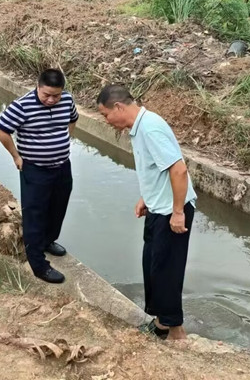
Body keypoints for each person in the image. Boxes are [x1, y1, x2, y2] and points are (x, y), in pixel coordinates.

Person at [96, 85, 197, 340]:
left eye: (106, 115)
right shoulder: (138, 129)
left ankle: (177, 332)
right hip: (158, 206)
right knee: (152, 265)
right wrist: (146, 197)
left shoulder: (150, 127)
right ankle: (162, 322)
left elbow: (178, 170)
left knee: (167, 270)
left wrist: (177, 212)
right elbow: (157, 168)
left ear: (118, 107)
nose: (107, 122)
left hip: (171, 212)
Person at [0, 69, 78, 283]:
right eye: (46, 95)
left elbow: (73, 119)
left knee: (58, 208)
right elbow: (0, 130)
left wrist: (65, 139)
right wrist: (16, 156)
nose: (51, 100)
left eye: (56, 95)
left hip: (61, 167)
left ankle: (48, 241)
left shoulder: (66, 100)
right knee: (35, 215)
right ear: (37, 87)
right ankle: (38, 264)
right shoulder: (21, 106)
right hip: (35, 169)